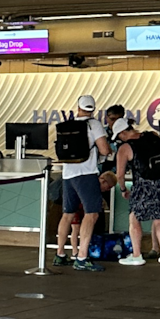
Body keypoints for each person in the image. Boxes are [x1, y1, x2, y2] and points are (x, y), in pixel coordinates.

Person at [53, 95, 110, 272]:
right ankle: (82, 256)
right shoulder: (94, 124)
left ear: (78, 106)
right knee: (91, 213)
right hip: (86, 173)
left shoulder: (68, 124)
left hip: (68, 173)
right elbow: (104, 149)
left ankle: (60, 254)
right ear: (94, 108)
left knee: (67, 214)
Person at [115, 119, 160, 266]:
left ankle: (137, 255)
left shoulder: (125, 148)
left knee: (134, 218)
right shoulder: (153, 136)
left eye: (119, 136)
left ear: (123, 132)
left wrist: (124, 189)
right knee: (159, 219)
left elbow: (120, 174)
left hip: (142, 185)